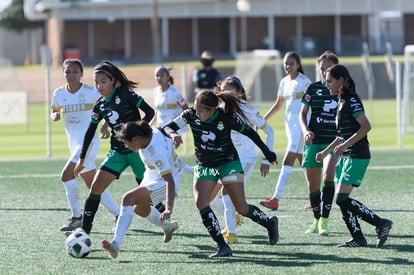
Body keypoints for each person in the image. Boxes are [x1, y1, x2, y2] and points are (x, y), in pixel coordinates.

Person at [163, 90, 279, 258]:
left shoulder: (226, 118)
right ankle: (222, 246)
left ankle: (269, 223)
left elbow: (251, 133)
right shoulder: (190, 115)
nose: (196, 113)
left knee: (241, 208)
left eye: (201, 110)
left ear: (212, 110)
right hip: (205, 165)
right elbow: (167, 127)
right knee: (201, 202)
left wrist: (267, 153)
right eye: (195, 109)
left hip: (228, 163)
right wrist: (174, 134)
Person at [73, 60, 155, 235]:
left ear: (113, 81)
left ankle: (165, 220)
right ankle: (84, 230)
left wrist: (139, 134)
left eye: (103, 81)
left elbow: (150, 112)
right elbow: (89, 132)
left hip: (136, 152)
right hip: (117, 152)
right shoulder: (100, 105)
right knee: (96, 187)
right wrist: (81, 159)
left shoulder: (125, 93)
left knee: (147, 197)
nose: (99, 86)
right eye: (96, 82)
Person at [316, 64, 392, 248]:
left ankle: (381, 223)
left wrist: (345, 145)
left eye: (330, 81)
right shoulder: (342, 101)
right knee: (343, 200)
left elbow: (366, 126)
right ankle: (358, 238)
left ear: (341, 80)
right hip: (347, 155)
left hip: (357, 155)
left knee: (341, 199)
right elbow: (342, 134)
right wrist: (326, 151)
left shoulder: (351, 100)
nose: (327, 85)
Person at [51, 58, 120, 232]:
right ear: (63, 73)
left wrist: (105, 124)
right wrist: (54, 115)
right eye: (68, 71)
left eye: (75, 71)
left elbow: (108, 104)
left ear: (81, 74)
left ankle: (76, 217)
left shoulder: (91, 92)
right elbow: (55, 110)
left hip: (89, 143)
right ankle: (119, 214)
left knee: (66, 176)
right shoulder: (59, 94)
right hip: (73, 144)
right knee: (93, 184)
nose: (71, 75)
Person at [102, 121, 180, 258]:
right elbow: (162, 128)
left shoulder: (155, 151)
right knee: (139, 209)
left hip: (165, 181)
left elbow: (170, 182)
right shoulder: (150, 132)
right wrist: (173, 134)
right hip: (152, 175)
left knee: (128, 199)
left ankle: (115, 244)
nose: (126, 146)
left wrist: (168, 208)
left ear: (135, 139)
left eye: (127, 143)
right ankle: (168, 227)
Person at [212, 76, 275, 244]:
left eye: (229, 91)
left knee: (226, 192)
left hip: (246, 158)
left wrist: (266, 159)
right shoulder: (219, 109)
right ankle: (234, 217)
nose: (225, 94)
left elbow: (270, 132)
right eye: (223, 91)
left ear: (240, 93)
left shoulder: (249, 110)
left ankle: (231, 234)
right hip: (226, 158)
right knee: (209, 196)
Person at [260, 51, 312, 210]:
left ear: (298, 64)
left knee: (288, 159)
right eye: (286, 63)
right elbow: (278, 105)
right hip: (290, 126)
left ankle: (275, 198)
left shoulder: (305, 82)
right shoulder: (283, 82)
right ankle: (318, 198)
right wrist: (262, 120)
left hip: (301, 126)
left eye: (291, 63)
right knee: (304, 163)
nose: (288, 66)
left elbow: (313, 104)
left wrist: (309, 127)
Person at [299, 51, 339, 236]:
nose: (324, 72)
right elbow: (302, 113)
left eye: (328, 69)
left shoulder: (342, 90)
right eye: (321, 69)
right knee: (312, 185)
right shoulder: (313, 88)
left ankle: (325, 220)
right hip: (314, 142)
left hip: (333, 143)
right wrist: (306, 131)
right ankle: (316, 219)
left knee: (328, 176)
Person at [151, 65, 193, 174]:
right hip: (161, 128)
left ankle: (176, 171)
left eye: (162, 76)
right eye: (157, 76)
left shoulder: (174, 92)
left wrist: (177, 124)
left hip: (172, 128)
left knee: (166, 150)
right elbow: (157, 110)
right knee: (165, 151)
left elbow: (186, 109)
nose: (159, 78)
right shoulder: (156, 91)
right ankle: (182, 168)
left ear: (168, 77)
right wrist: (150, 123)